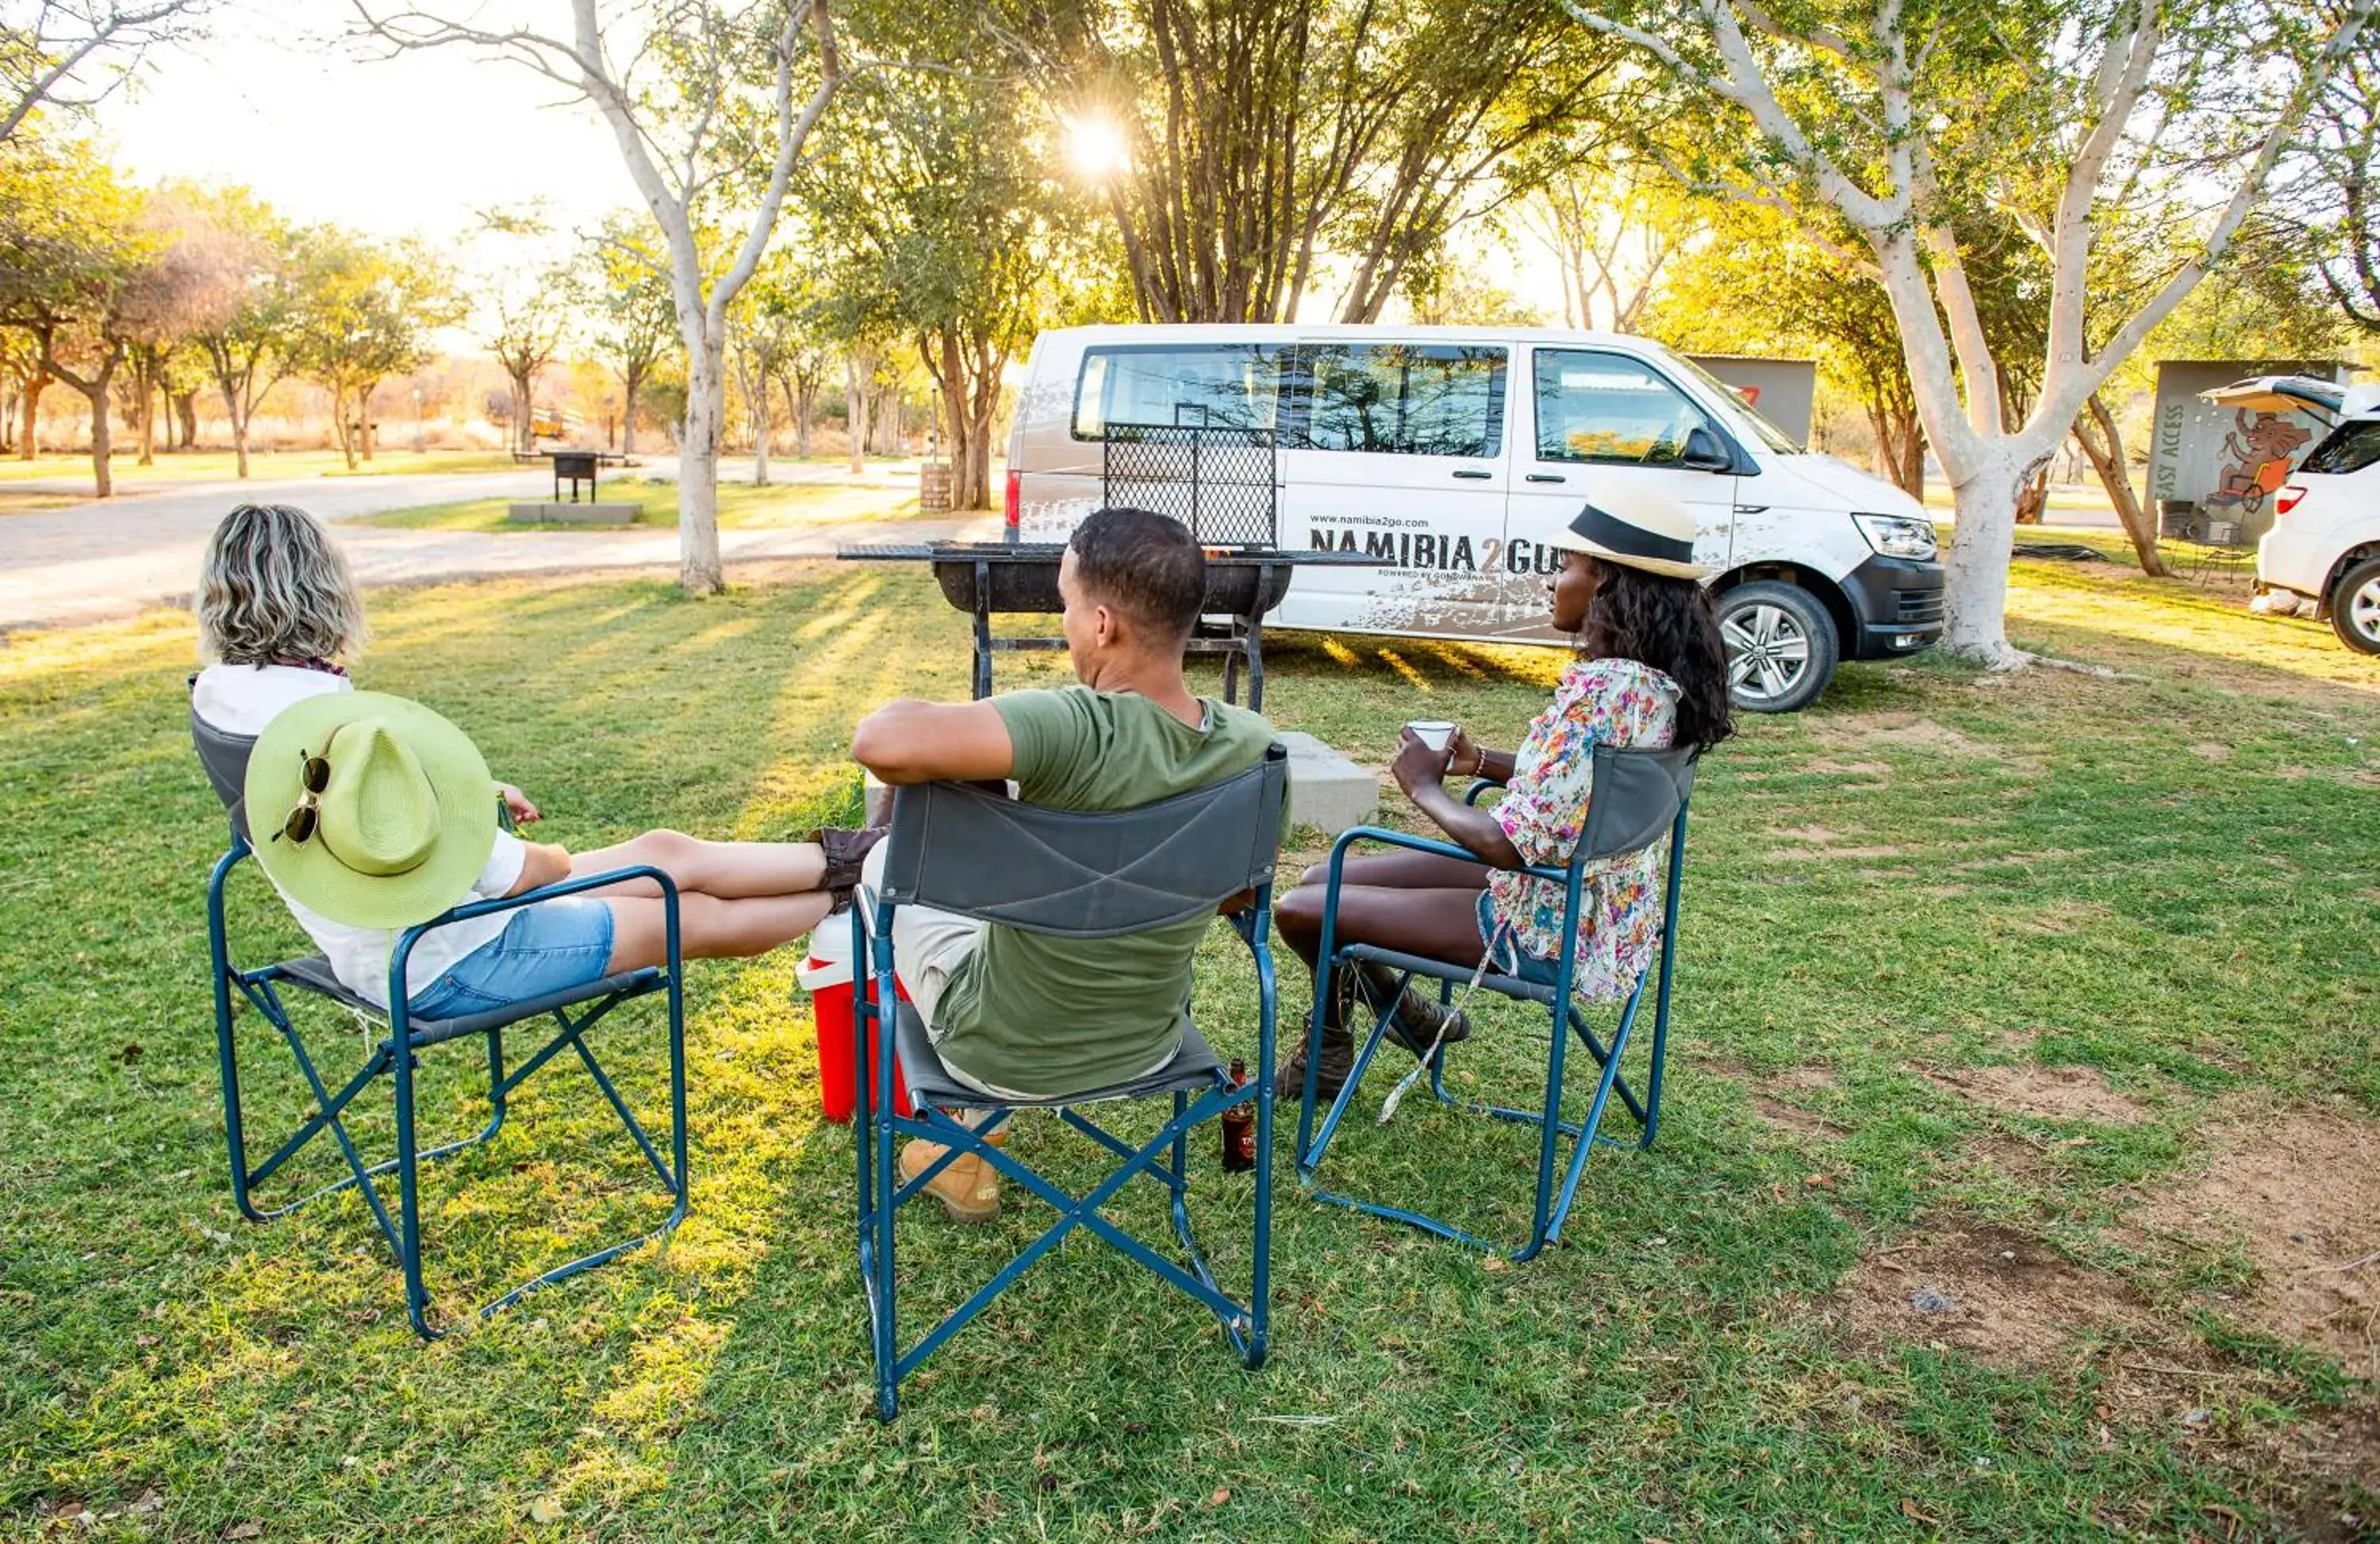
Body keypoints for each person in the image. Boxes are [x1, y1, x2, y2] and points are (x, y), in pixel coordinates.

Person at [192, 502, 880, 1017]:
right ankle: (869, 889)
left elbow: (340, 807)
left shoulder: (225, 701)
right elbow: (519, 873)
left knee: (663, 851)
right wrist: (536, 853)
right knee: (685, 911)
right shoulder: (332, 721)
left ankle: (865, 862)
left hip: (411, 926)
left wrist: (463, 791)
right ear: (323, 590)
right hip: (449, 954)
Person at [849, 507, 1283, 1223]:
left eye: (1067, 604)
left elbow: (881, 740)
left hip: (994, 1057)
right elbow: (1234, 898)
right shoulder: (1259, 750)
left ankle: (963, 1143)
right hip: (1148, 1047)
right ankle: (963, 1150)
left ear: (1104, 624)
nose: (1067, 622)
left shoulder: (1071, 725)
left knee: (884, 866)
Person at [1274, 479, 1735, 1099]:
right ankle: (1390, 1020)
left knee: (1302, 911)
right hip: (1601, 906)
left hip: (1545, 921)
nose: (1552, 580)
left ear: (1605, 581)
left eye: (1565, 565)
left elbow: (1505, 846)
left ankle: (1351, 1039)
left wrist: (1424, 789)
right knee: (1315, 883)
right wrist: (1483, 762)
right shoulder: (1651, 686)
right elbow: (1588, 786)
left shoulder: (1601, 694)